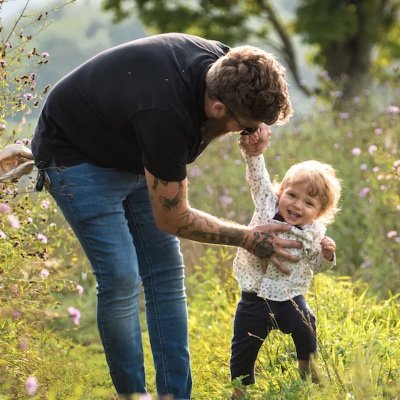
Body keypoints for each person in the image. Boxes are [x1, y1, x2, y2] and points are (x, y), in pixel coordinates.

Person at [31, 32, 300, 400]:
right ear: (218, 108)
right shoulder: (166, 117)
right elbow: (173, 219)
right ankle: (133, 394)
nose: (247, 132)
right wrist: (248, 238)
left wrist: (255, 137)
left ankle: (176, 395)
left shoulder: (232, 65)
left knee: (166, 276)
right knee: (122, 279)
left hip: (133, 147)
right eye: (245, 125)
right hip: (75, 155)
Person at [231, 132, 342, 399]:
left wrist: (326, 255)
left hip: (290, 297)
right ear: (280, 191)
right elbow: (258, 179)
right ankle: (240, 388)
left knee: (306, 325)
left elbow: (315, 266)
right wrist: (254, 153)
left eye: (308, 203)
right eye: (292, 194)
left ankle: (307, 367)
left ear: (319, 212)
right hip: (254, 296)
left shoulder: (315, 233)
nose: (296, 205)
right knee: (244, 343)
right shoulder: (267, 204)